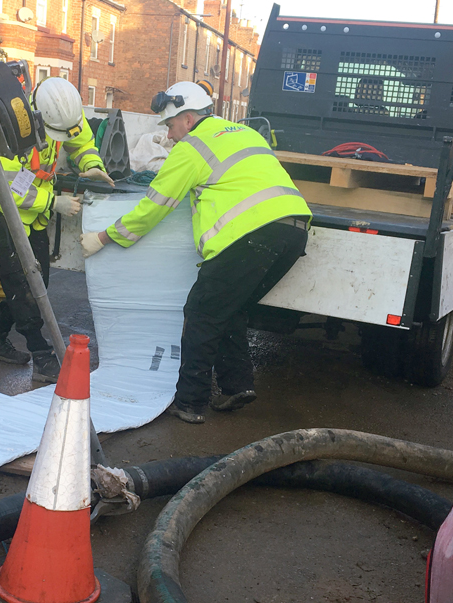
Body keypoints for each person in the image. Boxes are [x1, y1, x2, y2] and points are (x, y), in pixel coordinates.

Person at [79, 81, 311, 424]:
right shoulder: (245, 134)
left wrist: (104, 236)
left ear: (188, 119)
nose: (169, 136)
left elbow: (153, 207)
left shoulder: (192, 147)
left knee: (201, 312)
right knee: (229, 309)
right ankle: (237, 386)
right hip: (294, 231)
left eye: (170, 126)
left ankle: (189, 403)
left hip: (248, 235)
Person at [0, 76, 114, 383]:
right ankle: (42, 355)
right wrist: (55, 203)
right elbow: (7, 186)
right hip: (0, 211)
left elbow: (82, 142)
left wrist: (92, 165)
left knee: (37, 284)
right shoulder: (10, 129)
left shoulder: (65, 114)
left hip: (33, 214)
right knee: (23, 286)